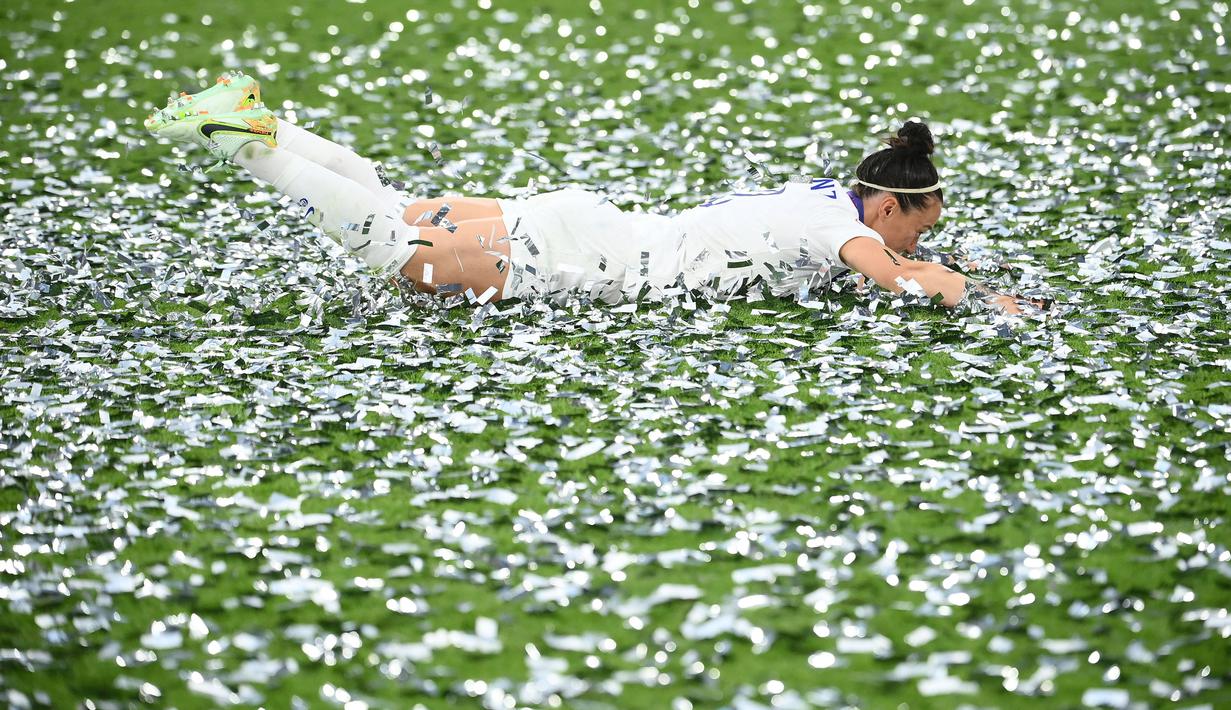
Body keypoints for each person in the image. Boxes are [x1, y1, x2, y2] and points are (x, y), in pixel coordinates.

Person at [145, 72, 1042, 313]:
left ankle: (265, 121)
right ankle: (240, 137)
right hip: (592, 259)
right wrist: (985, 300)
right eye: (920, 227)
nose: (917, 243)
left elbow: (886, 259)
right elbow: (897, 275)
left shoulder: (820, 198)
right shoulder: (846, 233)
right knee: (395, 251)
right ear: (886, 208)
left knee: (401, 205)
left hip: (597, 226)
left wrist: (956, 267)